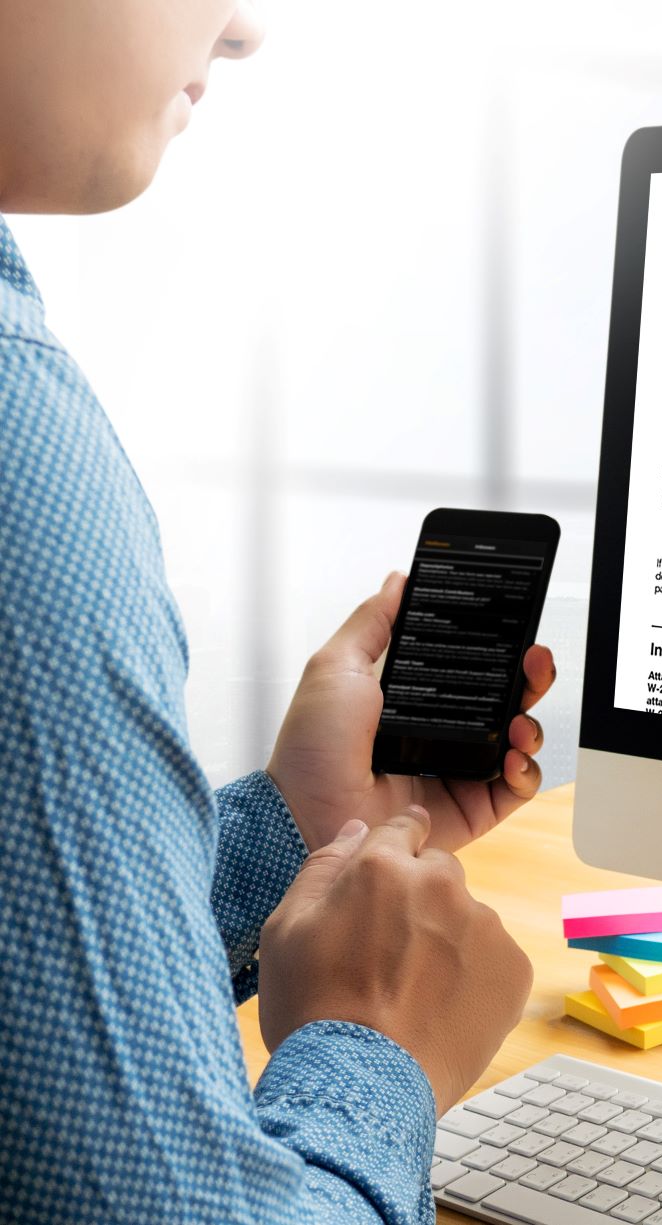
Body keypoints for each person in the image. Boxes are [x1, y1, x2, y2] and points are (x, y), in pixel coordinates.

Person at [0, 4, 546, 1221]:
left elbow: (30, 999)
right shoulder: (15, 443)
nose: (242, 30)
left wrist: (298, 826)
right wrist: (377, 1050)